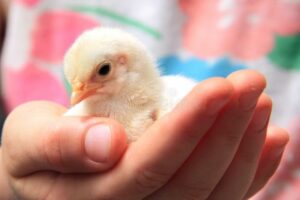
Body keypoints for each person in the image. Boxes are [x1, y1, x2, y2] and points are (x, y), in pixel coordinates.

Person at [0, 0, 296, 199]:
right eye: (75, 83)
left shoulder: (170, 100)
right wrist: (14, 181)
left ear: (126, 62)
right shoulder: (79, 116)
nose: (77, 95)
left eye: (103, 72)